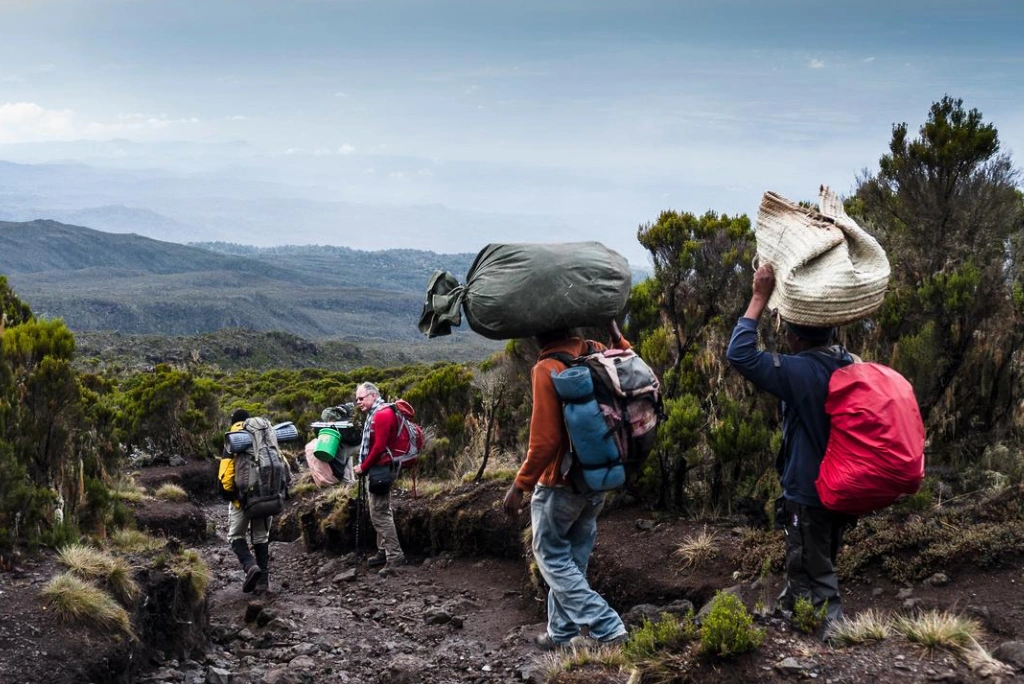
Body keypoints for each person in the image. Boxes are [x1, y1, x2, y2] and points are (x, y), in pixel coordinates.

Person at [726, 263, 855, 633]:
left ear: (794, 336)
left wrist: (758, 297)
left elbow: (740, 354)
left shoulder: (801, 371)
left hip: (810, 492)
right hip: (840, 487)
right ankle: (793, 619)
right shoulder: (845, 362)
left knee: (817, 573)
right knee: (809, 561)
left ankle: (834, 639)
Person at [502, 321, 630, 651]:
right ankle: (560, 632)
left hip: (560, 484)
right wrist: (616, 334)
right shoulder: (594, 350)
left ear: (538, 334)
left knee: (550, 555)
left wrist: (520, 485)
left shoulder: (546, 368)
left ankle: (607, 626)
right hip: (597, 477)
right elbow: (631, 361)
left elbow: (545, 441)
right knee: (573, 558)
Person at [352, 382, 408, 577]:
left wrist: (363, 467)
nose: (358, 402)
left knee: (379, 513)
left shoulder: (381, 415)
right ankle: (383, 551)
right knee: (381, 509)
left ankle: (395, 556)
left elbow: (379, 447)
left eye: (362, 398)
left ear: (373, 396)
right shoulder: (376, 413)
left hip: (382, 468)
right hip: (380, 468)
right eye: (357, 399)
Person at [218, 408, 272, 594]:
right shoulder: (264, 434)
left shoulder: (233, 438)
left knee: (235, 536)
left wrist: (231, 496)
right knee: (261, 536)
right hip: (267, 494)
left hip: (243, 499)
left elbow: (226, 475)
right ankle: (263, 582)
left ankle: (250, 566)